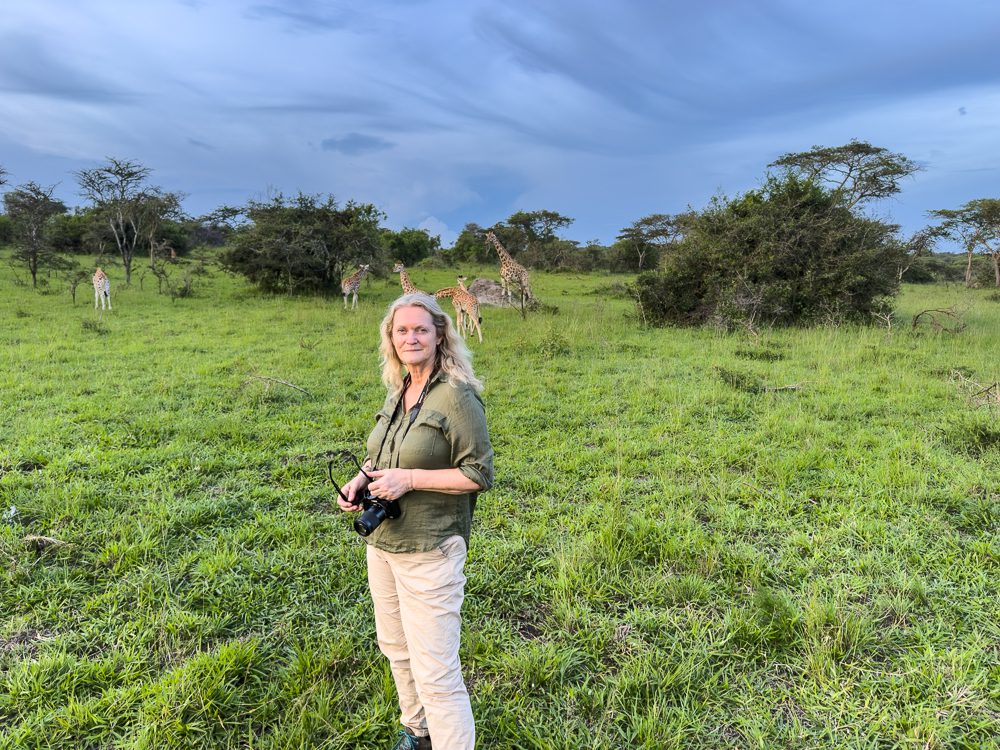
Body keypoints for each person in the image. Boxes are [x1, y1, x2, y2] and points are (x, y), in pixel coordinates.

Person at [338, 293, 493, 750]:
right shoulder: (401, 388)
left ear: (440, 333)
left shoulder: (456, 395)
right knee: (397, 650)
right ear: (391, 338)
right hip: (383, 544)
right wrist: (358, 481)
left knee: (437, 671)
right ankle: (417, 732)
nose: (411, 337)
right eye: (402, 330)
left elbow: (478, 474)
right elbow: (379, 454)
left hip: (431, 548)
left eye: (421, 329)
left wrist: (410, 479)